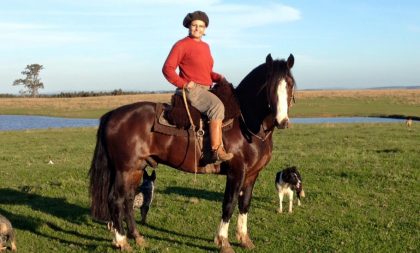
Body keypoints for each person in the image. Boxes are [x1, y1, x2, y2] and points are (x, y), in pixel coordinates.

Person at [162, 10, 233, 163]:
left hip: (207, 88)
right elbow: (167, 68)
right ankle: (216, 149)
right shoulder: (181, 45)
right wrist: (184, 84)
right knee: (217, 107)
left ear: (205, 29)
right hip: (191, 90)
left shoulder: (206, 46)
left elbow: (206, 72)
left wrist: (218, 77)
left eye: (201, 26)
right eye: (194, 25)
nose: (197, 29)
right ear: (189, 26)